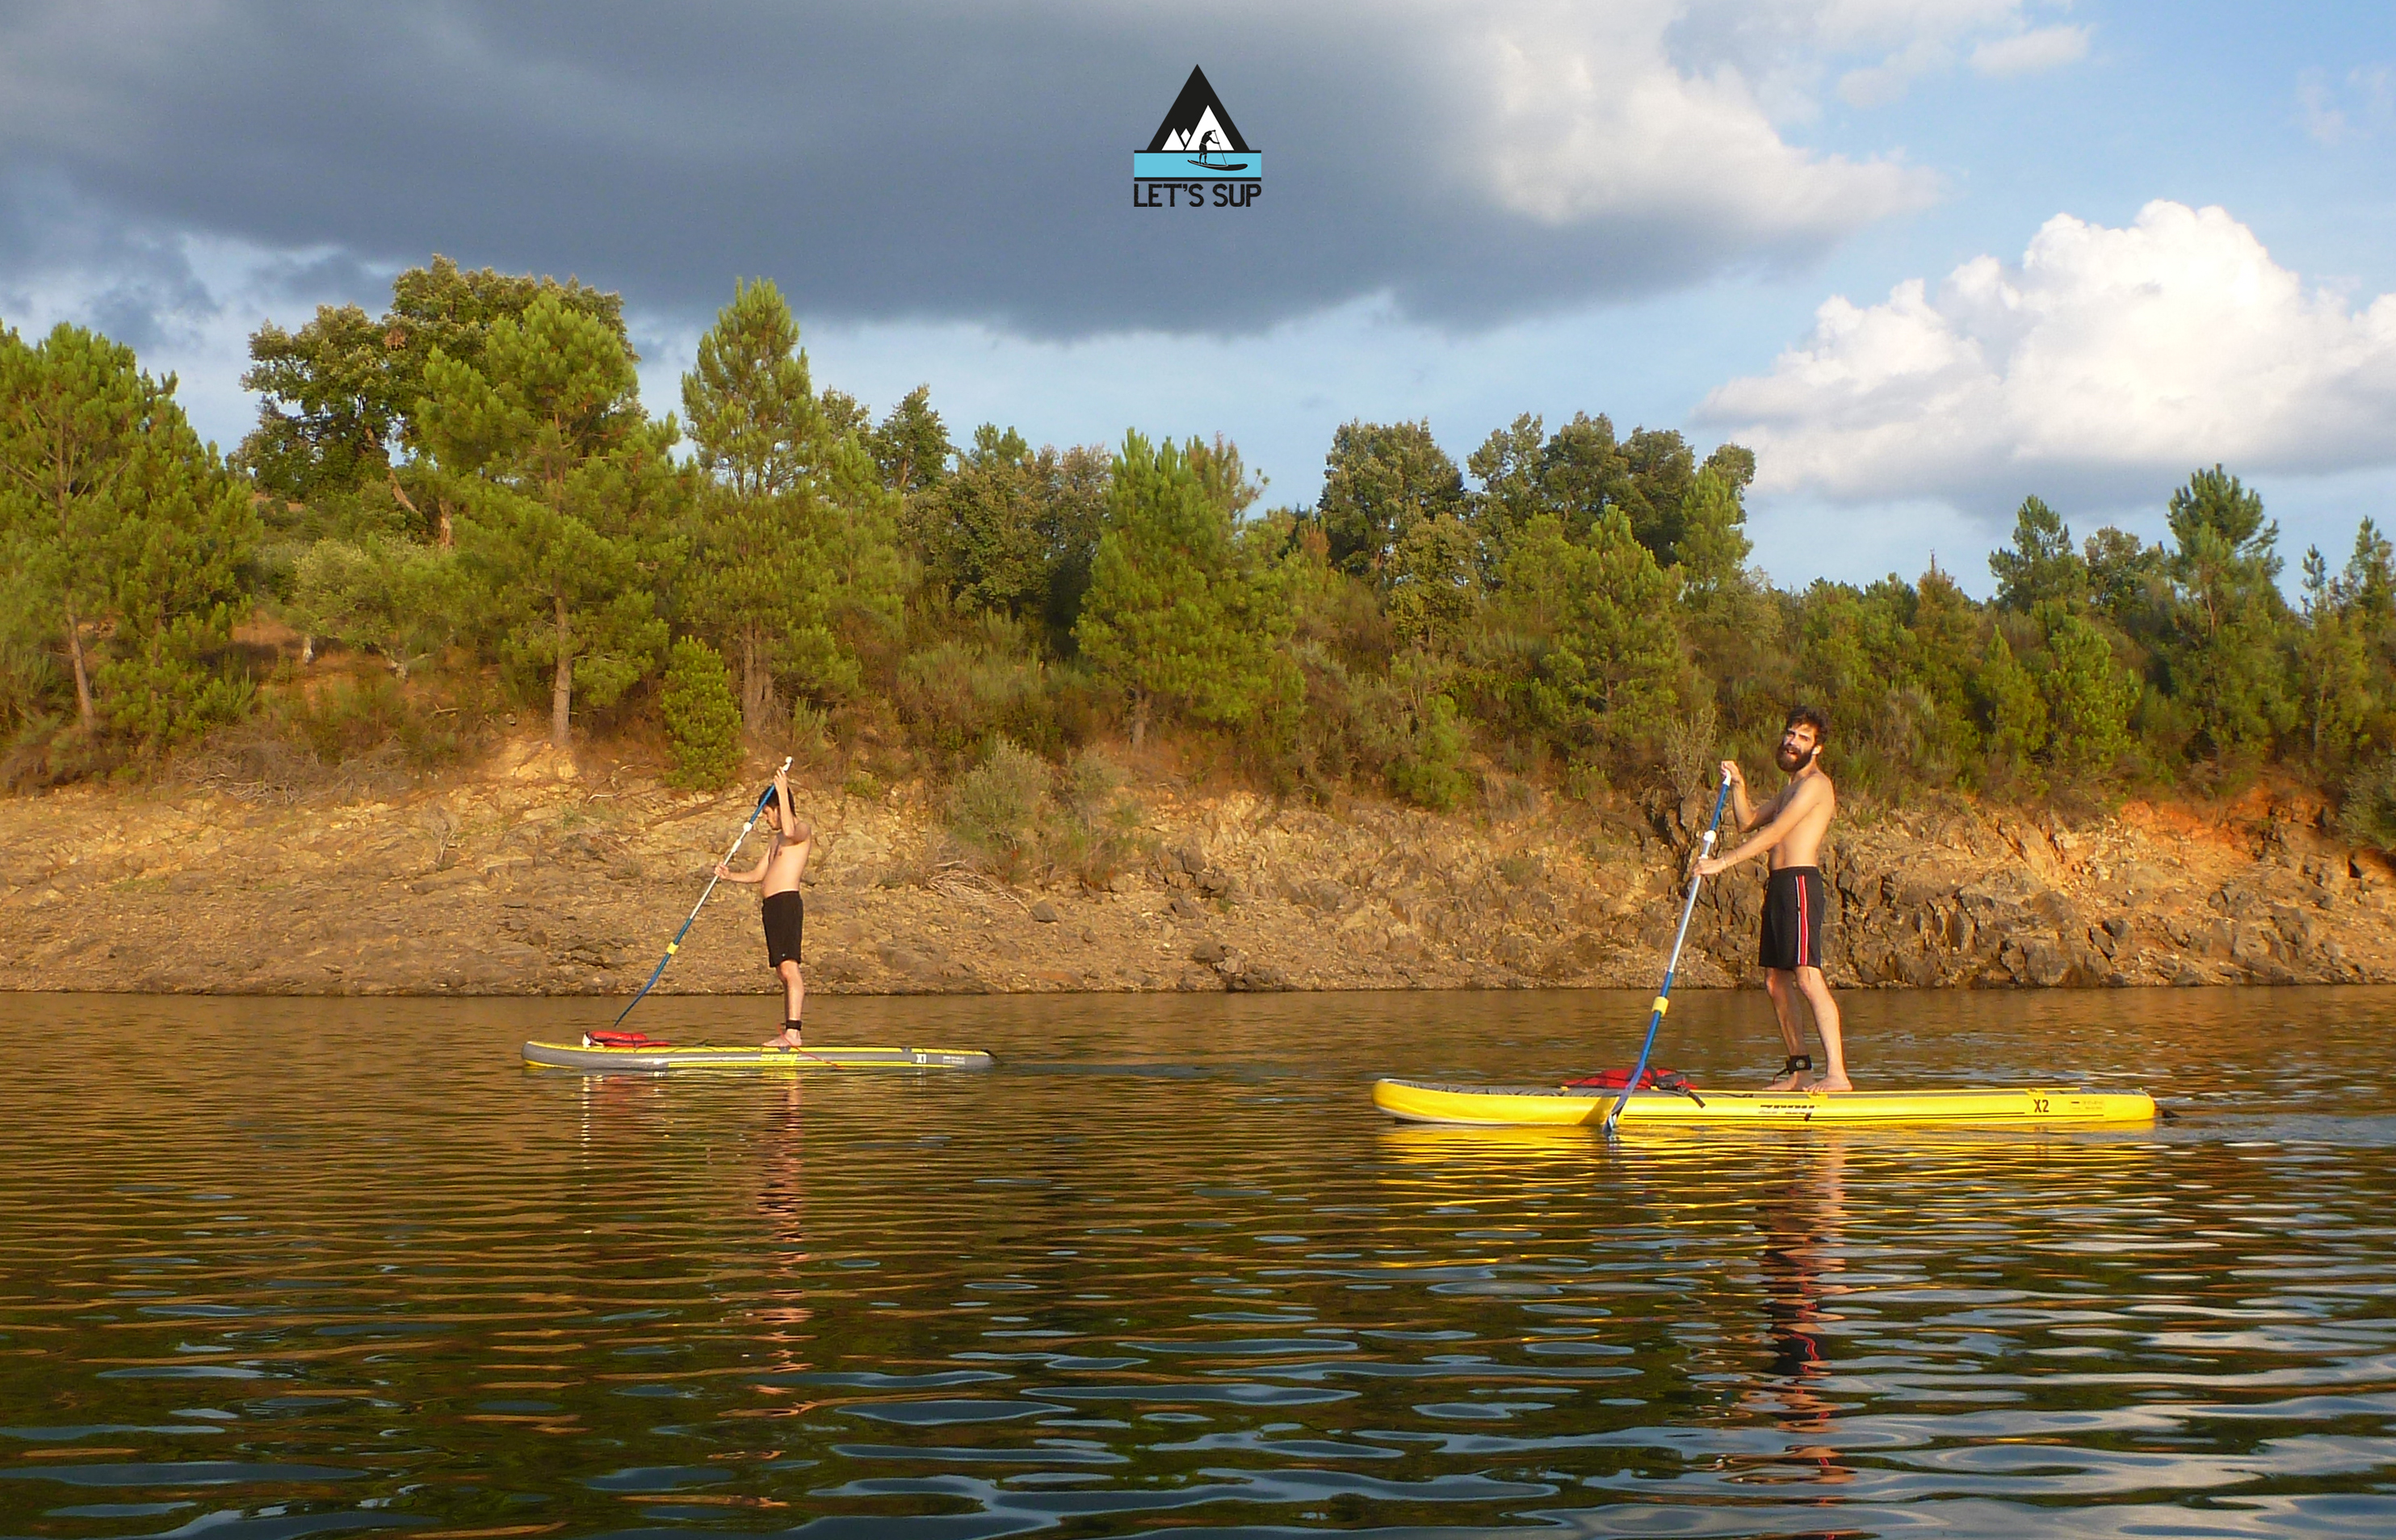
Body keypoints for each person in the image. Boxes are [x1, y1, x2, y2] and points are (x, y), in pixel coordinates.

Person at [1694, 706, 1848, 1091]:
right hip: (1779, 886)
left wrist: (1723, 862)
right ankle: (1800, 1070)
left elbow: (1778, 832)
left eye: (1802, 737)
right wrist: (1739, 786)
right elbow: (1747, 822)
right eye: (1790, 734)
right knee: (1776, 984)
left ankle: (1838, 1076)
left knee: (1808, 979)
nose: (1791, 741)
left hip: (1799, 884)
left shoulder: (1816, 785)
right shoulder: (1789, 789)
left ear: (1817, 748)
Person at [715, 766, 814, 1048]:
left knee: (790, 968)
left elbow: (791, 828)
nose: (765, 819)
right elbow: (759, 874)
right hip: (771, 907)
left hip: (786, 904)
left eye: (767, 813)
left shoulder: (801, 830)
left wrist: (782, 791)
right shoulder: (775, 842)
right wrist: (729, 875)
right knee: (782, 972)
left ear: (777, 808)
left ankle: (794, 1033)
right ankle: (788, 1032)